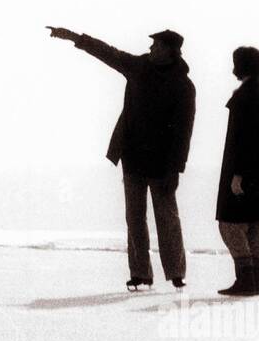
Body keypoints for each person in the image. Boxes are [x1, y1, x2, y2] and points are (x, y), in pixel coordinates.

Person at [48, 26, 196, 290]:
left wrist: (177, 168)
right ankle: (140, 273)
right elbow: (108, 53)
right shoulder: (139, 67)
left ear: (169, 51)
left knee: (167, 218)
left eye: (156, 45)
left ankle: (176, 273)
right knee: (134, 218)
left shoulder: (183, 85)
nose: (150, 48)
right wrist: (74, 37)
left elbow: (184, 130)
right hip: (133, 156)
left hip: (163, 164)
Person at [216, 46, 259, 297]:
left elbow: (244, 140)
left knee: (231, 225)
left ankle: (246, 279)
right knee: (257, 226)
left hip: (245, 171)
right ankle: (255, 281)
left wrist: (238, 174)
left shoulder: (245, 96)